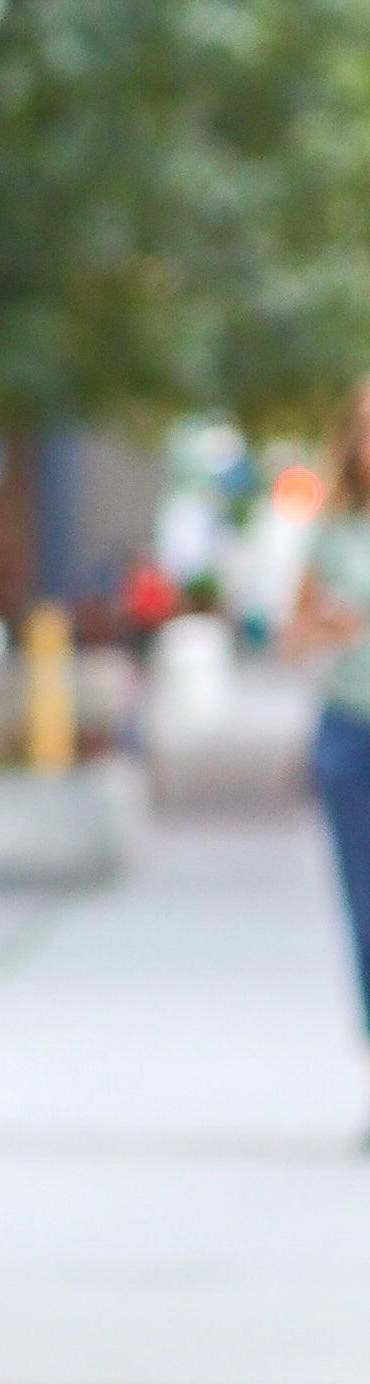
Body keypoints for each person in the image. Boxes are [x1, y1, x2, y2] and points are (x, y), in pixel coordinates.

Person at [295, 383, 370, 1089]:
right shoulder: (336, 533)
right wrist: (331, 626)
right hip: (351, 735)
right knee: (368, 913)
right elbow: (293, 637)